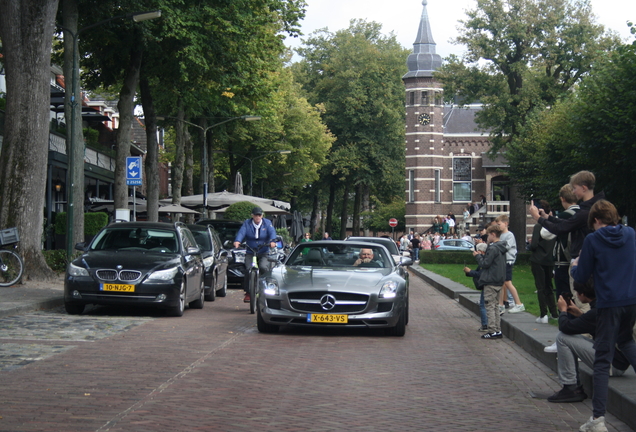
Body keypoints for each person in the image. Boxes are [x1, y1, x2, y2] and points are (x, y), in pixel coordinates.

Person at [571, 200, 636, 432]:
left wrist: (574, 266)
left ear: (596, 220)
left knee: (602, 360)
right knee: (627, 341)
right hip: (631, 300)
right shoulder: (630, 234)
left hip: (608, 303)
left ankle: (598, 419)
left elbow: (582, 277)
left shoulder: (593, 239)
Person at [529, 170, 605, 313]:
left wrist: (538, 218)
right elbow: (569, 223)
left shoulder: (586, 211)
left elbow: (562, 228)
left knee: (583, 301)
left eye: (575, 188)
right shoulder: (592, 208)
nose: (574, 192)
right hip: (590, 259)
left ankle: (586, 332)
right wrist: (548, 217)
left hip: (583, 260)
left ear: (583, 187)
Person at [547, 278, 630, 404]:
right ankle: (572, 386)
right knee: (569, 338)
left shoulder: (597, 312)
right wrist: (579, 314)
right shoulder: (604, 306)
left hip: (612, 365)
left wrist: (563, 311)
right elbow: (598, 326)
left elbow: (565, 327)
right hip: (619, 359)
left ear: (581, 294)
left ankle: (570, 387)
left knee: (563, 337)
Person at [233, 207, 277, 303]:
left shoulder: (267, 223)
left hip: (263, 250)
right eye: (256, 215)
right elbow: (241, 232)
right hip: (250, 250)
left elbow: (272, 232)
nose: (258, 217)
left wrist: (273, 241)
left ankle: (264, 288)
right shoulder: (247, 223)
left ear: (262, 216)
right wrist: (237, 241)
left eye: (259, 215)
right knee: (248, 269)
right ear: (252, 215)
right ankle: (248, 293)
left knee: (263, 267)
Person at [473, 224, 507, 339]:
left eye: (488, 235)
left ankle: (492, 330)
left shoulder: (492, 248)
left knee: (490, 306)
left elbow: (485, 264)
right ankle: (497, 329)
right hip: (499, 280)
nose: (487, 238)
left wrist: (478, 256)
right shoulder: (502, 247)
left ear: (493, 235)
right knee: (496, 306)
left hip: (490, 280)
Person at [530, 200, 558, 323]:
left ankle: (543, 314)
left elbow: (534, 245)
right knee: (549, 287)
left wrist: (531, 244)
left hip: (538, 259)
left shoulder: (538, 226)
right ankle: (554, 313)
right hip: (549, 259)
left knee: (540, 287)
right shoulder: (553, 226)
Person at [552, 184, 581, 300]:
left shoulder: (564, 216)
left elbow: (546, 234)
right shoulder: (583, 213)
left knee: (564, 297)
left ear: (562, 199)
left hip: (564, 260)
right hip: (580, 258)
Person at [495, 215, 525, 314]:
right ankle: (501, 305)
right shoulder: (500, 235)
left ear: (506, 224)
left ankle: (519, 303)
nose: (498, 226)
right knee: (502, 283)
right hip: (502, 261)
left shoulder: (509, 235)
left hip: (508, 260)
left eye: (499, 224)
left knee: (507, 282)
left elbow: (506, 247)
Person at [464, 242, 489, 332]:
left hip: (487, 285)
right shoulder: (484, 260)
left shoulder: (484, 261)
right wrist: (469, 272)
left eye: (476, 252)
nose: (473, 253)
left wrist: (470, 272)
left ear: (481, 252)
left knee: (483, 305)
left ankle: (485, 325)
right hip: (487, 284)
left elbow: (481, 274)